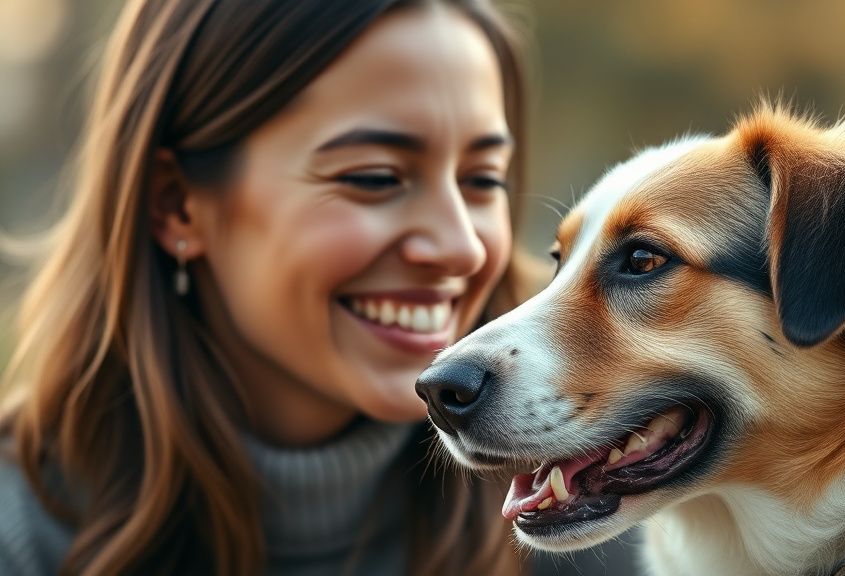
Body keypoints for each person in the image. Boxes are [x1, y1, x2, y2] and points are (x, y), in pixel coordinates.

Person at [0, 1, 541, 574]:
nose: (463, 247)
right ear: (176, 205)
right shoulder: (20, 539)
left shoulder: (592, 520)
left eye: (483, 180)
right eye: (374, 178)